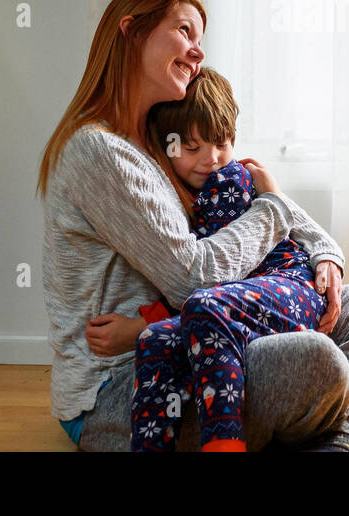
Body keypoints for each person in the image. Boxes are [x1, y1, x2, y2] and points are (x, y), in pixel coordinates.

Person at [37, 0, 349, 451]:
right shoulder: (100, 151)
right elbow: (192, 279)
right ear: (132, 33)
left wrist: (325, 253)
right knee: (316, 362)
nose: (197, 51)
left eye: (201, 40)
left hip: (207, 343)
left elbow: (255, 198)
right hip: (129, 387)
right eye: (184, 30)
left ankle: (342, 446)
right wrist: (272, 205)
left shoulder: (162, 141)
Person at [130, 68, 333, 451]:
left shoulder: (230, 181)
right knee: (154, 340)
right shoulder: (165, 192)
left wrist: (153, 311)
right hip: (239, 301)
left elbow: (205, 276)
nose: (212, 159)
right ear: (165, 145)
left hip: (290, 287)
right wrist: (149, 323)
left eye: (222, 143)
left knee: (203, 305)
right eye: (193, 148)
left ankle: (224, 444)